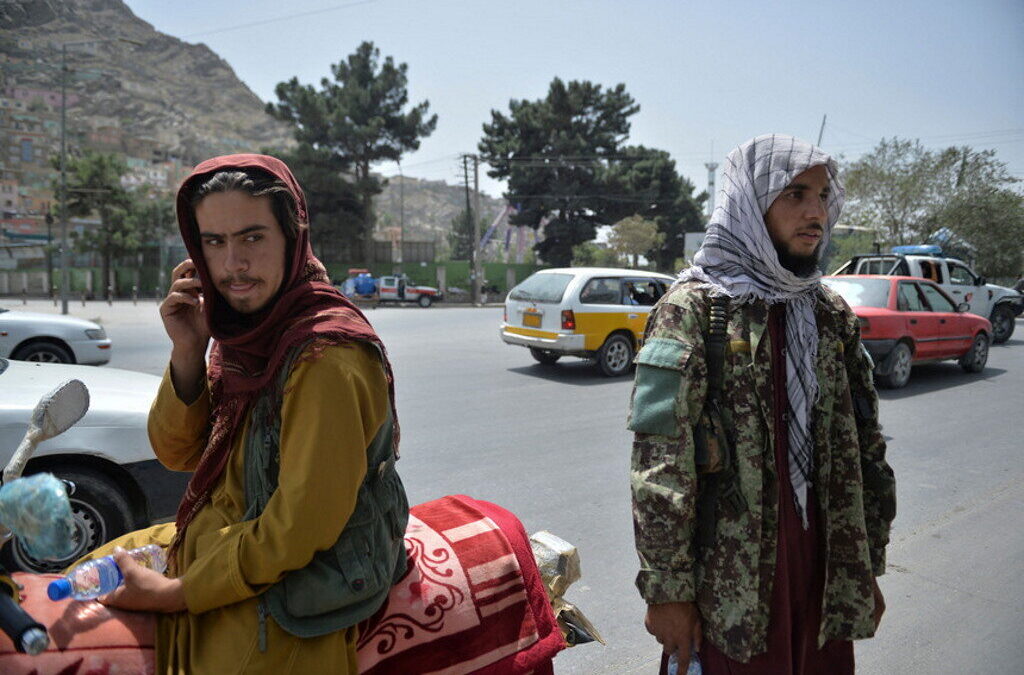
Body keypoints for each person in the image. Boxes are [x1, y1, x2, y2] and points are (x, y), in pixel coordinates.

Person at [71, 154, 408, 674]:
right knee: (88, 572)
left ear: (291, 238)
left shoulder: (325, 356)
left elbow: (299, 529)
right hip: (230, 536)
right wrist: (188, 351)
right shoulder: (243, 335)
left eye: (252, 238)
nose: (232, 264)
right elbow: (179, 452)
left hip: (309, 572)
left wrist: (179, 593)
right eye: (214, 242)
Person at [629, 135, 896, 674]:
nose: (815, 212)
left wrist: (864, 563)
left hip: (822, 570)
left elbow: (866, 446)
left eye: (822, 195)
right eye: (795, 194)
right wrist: (668, 593)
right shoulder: (693, 312)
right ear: (751, 203)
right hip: (734, 590)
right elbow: (659, 464)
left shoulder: (830, 316)